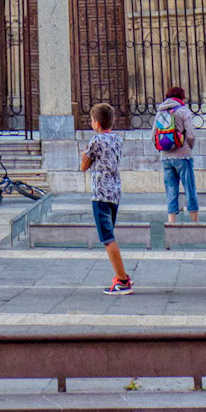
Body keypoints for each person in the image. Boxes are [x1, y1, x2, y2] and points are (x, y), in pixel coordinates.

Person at [80, 101, 132, 295]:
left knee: (108, 239)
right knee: (110, 234)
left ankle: (122, 280)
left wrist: (84, 161)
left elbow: (84, 164)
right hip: (115, 192)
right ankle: (122, 274)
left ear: (96, 123)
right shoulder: (117, 139)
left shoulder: (96, 141)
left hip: (100, 193)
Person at [152, 84, 198, 225]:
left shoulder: (160, 112)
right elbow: (190, 134)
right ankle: (194, 222)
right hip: (183, 156)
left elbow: (153, 134)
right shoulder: (183, 111)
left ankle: (171, 223)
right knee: (189, 188)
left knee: (171, 191)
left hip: (166, 157)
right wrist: (189, 146)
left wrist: (162, 149)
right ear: (182, 97)